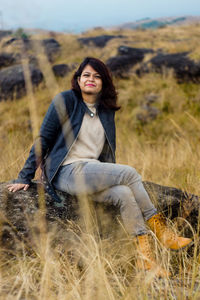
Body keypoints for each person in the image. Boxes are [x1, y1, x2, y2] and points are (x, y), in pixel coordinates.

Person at [7, 57, 192, 277]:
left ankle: (146, 259)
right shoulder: (65, 100)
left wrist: (107, 175)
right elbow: (43, 139)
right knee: (129, 173)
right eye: (86, 75)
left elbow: (104, 152)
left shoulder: (106, 109)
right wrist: (24, 177)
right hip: (67, 171)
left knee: (124, 193)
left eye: (97, 76)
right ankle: (163, 234)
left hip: (91, 170)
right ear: (78, 79)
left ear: (104, 82)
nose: (91, 79)